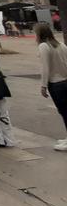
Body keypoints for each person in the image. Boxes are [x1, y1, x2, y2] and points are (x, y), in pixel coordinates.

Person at [35, 23, 67, 151]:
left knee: (64, 112)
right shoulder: (61, 45)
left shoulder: (44, 46)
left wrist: (43, 85)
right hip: (65, 81)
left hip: (56, 83)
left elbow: (45, 68)